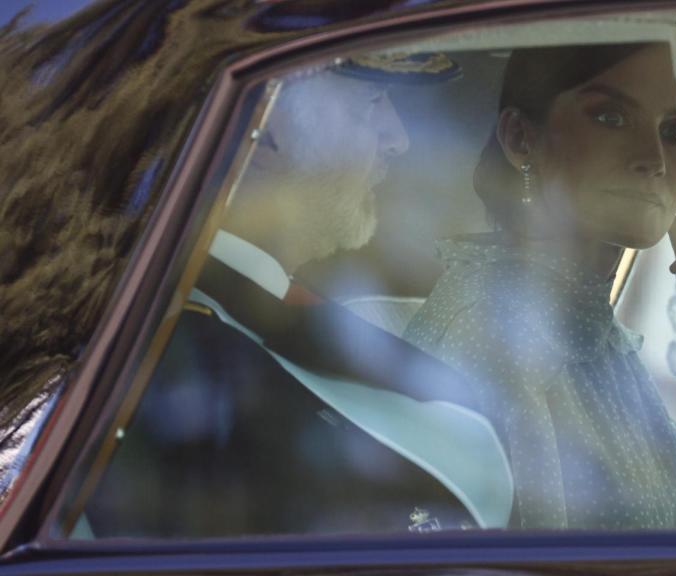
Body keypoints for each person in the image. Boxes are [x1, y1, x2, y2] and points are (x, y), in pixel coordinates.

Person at [83, 54, 514, 537]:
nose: (399, 138)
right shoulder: (177, 355)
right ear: (265, 127)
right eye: (371, 100)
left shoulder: (237, 318)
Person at [403, 43, 676, 530]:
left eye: (674, 132)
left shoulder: (592, 337)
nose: (653, 160)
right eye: (611, 118)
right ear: (521, 138)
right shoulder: (494, 339)